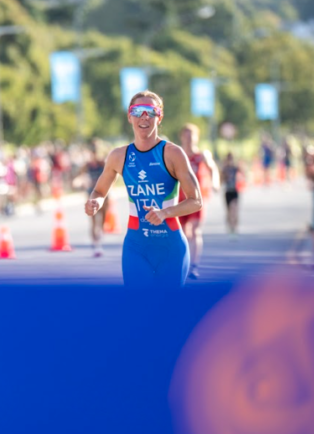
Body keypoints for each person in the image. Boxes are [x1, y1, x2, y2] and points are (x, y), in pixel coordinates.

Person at [84, 90, 203, 287]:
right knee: (138, 304)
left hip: (171, 248)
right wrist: (95, 201)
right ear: (130, 116)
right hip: (136, 248)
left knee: (167, 306)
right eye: (138, 111)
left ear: (159, 116)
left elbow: (196, 201)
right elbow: (99, 192)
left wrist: (164, 213)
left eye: (151, 111)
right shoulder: (118, 156)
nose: (144, 116)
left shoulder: (173, 153)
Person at [177, 124, 219, 279]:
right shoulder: (177, 154)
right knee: (182, 233)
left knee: (195, 231)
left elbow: (213, 168)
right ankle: (184, 263)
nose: (188, 138)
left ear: (197, 137)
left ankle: (194, 266)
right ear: (181, 137)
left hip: (196, 200)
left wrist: (215, 183)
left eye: (191, 135)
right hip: (179, 200)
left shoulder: (201, 155)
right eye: (186, 135)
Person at [81, 142, 109, 257]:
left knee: (103, 217)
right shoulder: (87, 165)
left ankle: (100, 234)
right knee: (92, 219)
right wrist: (82, 182)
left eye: (96, 153)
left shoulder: (103, 164)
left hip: (103, 194)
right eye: (93, 153)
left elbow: (111, 175)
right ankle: (95, 242)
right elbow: (80, 175)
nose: (94, 156)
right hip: (91, 193)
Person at [220, 153, 243, 237]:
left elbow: (243, 174)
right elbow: (221, 179)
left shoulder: (235, 168)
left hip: (235, 191)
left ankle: (235, 227)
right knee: (229, 211)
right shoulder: (225, 169)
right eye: (229, 159)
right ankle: (230, 226)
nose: (230, 160)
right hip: (227, 191)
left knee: (234, 209)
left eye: (231, 159)